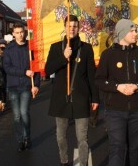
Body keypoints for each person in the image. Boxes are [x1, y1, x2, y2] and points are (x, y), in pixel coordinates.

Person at [95, 19, 138, 166]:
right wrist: (117, 87)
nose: (136, 33)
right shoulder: (108, 55)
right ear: (122, 32)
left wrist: (136, 86)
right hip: (114, 110)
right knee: (117, 147)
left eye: (136, 30)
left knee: (134, 149)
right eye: (132, 30)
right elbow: (99, 80)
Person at [45, 15, 99, 166]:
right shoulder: (55, 47)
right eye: (69, 26)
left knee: (82, 138)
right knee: (60, 136)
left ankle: (83, 163)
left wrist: (95, 98)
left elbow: (91, 75)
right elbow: (48, 70)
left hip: (81, 98)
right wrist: (63, 57)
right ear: (64, 27)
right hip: (61, 99)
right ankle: (64, 161)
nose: (72, 29)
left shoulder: (86, 48)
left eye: (75, 26)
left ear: (79, 28)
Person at [3, 23, 41, 152]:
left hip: (26, 86)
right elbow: (7, 68)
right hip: (13, 85)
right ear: (13, 34)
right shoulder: (8, 49)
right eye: (17, 32)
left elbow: (36, 68)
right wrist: (23, 71)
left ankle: (27, 137)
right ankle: (20, 139)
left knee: (24, 113)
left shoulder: (30, 48)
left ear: (25, 32)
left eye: (21, 32)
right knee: (16, 116)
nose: (20, 35)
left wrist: (36, 84)